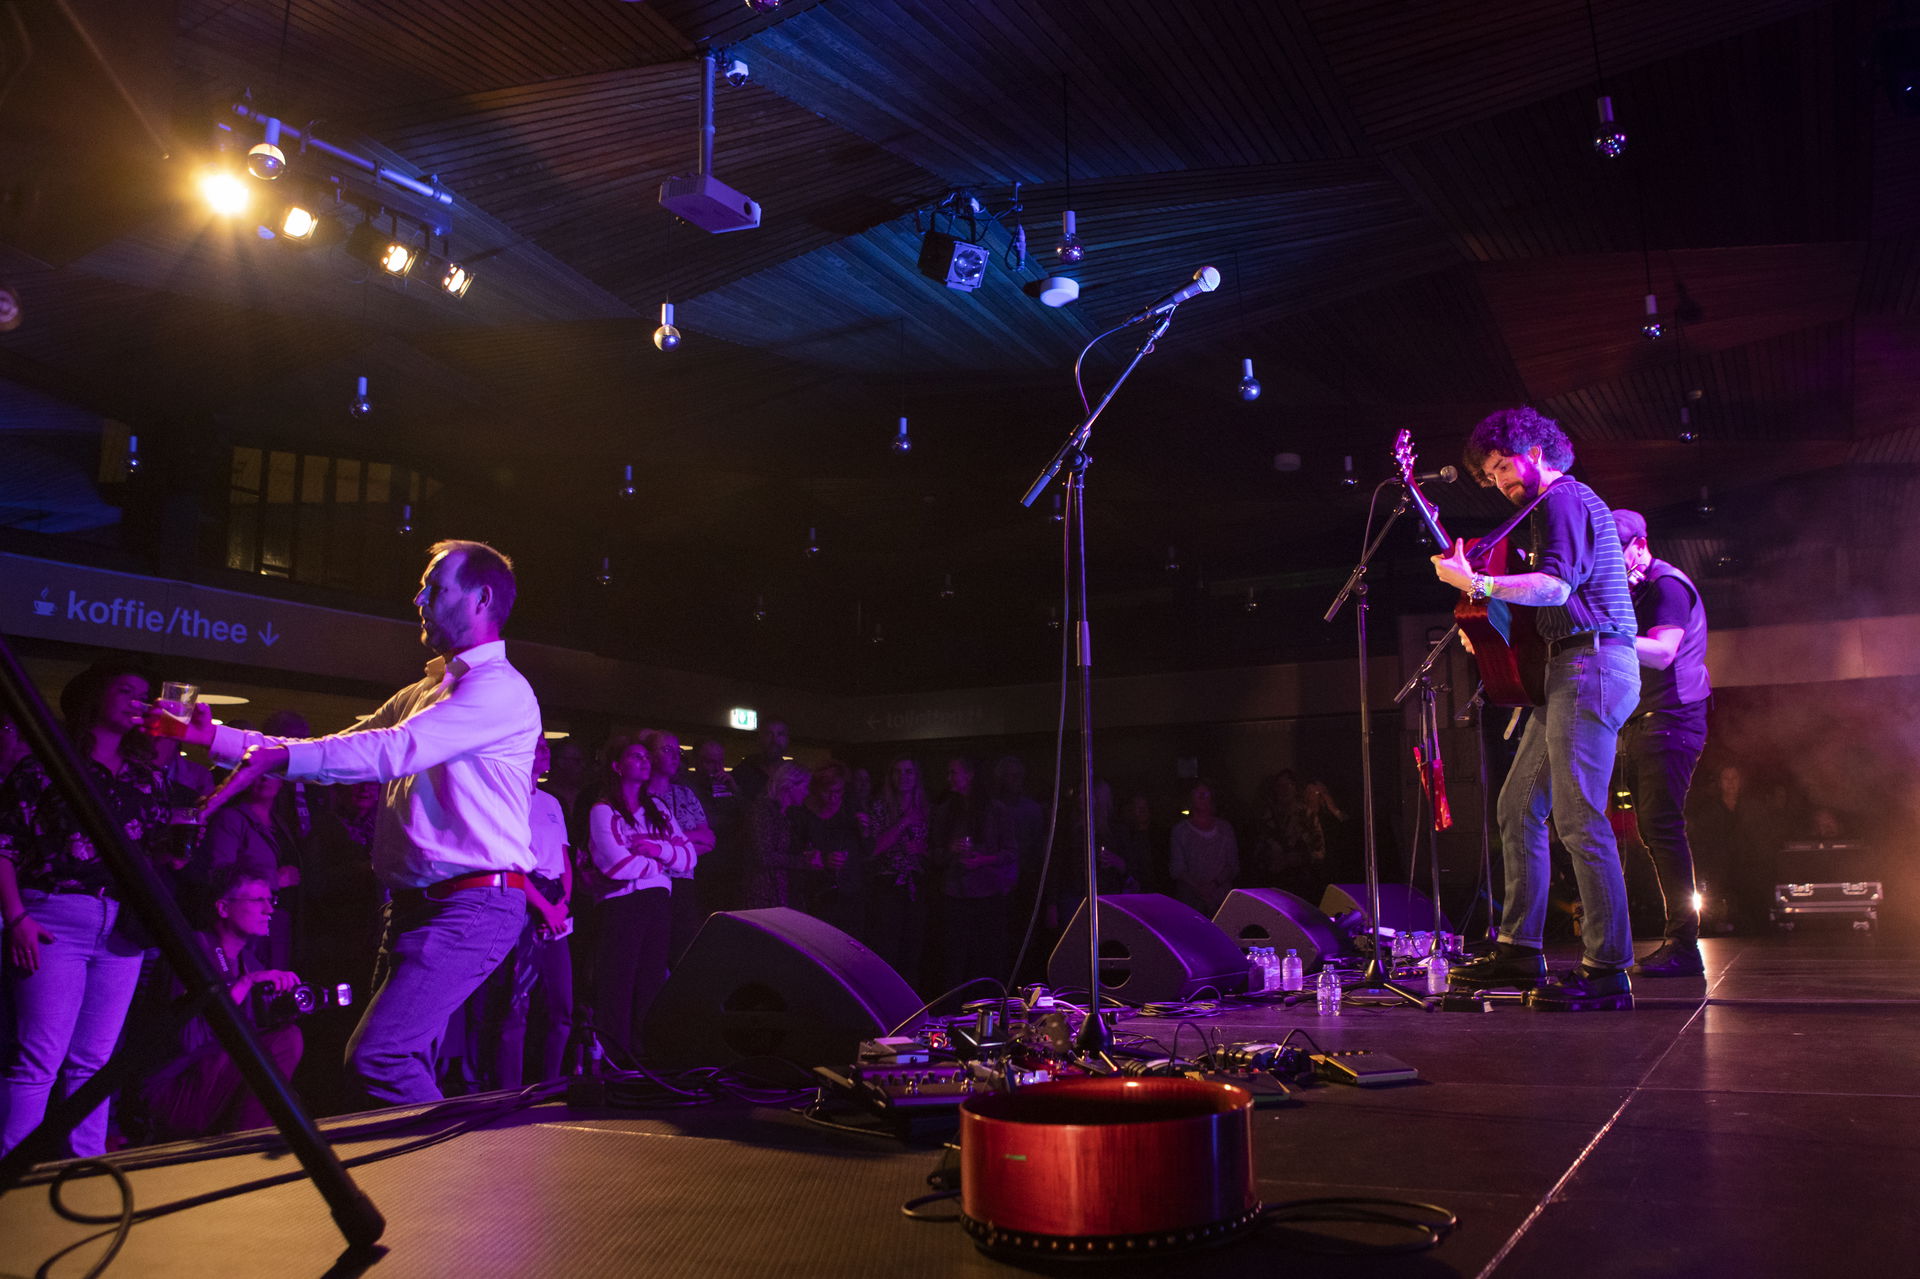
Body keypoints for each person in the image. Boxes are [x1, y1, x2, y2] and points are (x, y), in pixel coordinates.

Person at [172, 540, 542, 1106]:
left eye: (435, 587)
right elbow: (336, 749)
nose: (419, 598)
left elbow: (397, 750)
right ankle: (430, 1182)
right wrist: (214, 739)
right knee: (401, 1058)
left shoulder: (500, 690)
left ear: (481, 598)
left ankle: (452, 1176)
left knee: (381, 1057)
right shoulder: (425, 691)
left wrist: (276, 758)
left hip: (471, 906)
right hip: (417, 905)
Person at [1435, 408, 1640, 1008]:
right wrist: (1488, 627)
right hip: (1568, 668)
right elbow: (1546, 604)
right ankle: (1520, 951)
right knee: (1517, 807)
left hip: (1591, 663)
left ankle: (1607, 971)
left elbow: (1556, 587)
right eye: (1491, 475)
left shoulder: (1563, 499)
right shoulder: (1545, 509)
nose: (1499, 481)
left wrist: (1478, 586)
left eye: (1503, 466)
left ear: (1535, 449)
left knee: (1579, 820)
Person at [1, 659, 169, 1158]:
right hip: (54, 917)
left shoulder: (146, 778)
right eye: (125, 691)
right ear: (95, 697)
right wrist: (16, 919)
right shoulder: (46, 765)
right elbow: (4, 845)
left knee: (94, 1061)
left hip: (121, 925)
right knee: (39, 1058)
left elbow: (157, 853)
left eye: (144, 694)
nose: (137, 701)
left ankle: (85, 1169)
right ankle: (14, 1172)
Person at [1611, 510, 1712, 978]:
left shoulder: (1666, 585)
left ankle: (1683, 945)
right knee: (1654, 827)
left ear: (1640, 544)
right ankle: (1677, 940)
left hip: (1672, 718)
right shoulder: (1638, 587)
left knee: (1661, 826)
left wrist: (1606, 635)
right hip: (1650, 720)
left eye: (1618, 549)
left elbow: (1663, 652)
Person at [137, 867, 305, 1140]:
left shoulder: (249, 963)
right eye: (257, 901)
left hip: (211, 1083)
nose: (269, 911)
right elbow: (188, 1040)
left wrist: (283, 1009)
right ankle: (243, 1151)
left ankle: (248, 1145)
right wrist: (245, 984)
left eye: (270, 901)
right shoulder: (192, 950)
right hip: (172, 1087)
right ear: (223, 908)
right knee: (278, 1045)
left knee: (287, 1047)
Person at [586, 734, 691, 1062]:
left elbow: (689, 857)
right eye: (636, 756)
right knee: (619, 983)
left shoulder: (658, 808)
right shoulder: (602, 810)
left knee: (651, 982)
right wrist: (659, 863)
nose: (645, 761)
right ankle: (616, 1059)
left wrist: (655, 849)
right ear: (617, 766)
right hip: (622, 906)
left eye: (647, 756)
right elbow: (615, 865)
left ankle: (645, 1061)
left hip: (658, 904)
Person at [930, 758, 1017, 991]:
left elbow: (1010, 852)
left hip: (988, 892)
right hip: (955, 893)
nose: (949, 778)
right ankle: (954, 1011)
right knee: (954, 958)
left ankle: (991, 1009)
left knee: (989, 956)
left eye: (953, 773)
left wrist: (982, 860)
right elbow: (935, 855)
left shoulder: (996, 810)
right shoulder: (945, 811)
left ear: (969, 776)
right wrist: (951, 850)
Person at [642, 730, 713, 964]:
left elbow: (709, 840)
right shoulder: (639, 795)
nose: (675, 756)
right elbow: (641, 843)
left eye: (678, 751)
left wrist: (668, 842)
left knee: (684, 949)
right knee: (653, 951)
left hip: (684, 880)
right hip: (651, 880)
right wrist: (684, 845)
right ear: (650, 755)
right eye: (667, 750)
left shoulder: (685, 793)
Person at [862, 756, 930, 986]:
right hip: (887, 883)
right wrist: (904, 823)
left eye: (909, 772)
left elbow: (938, 849)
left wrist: (923, 849)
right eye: (898, 772)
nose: (904, 777)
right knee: (886, 947)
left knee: (913, 949)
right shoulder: (880, 806)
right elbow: (873, 848)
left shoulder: (926, 807)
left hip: (916, 884)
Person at [794, 762, 864, 935]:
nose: (833, 798)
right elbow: (795, 852)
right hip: (817, 894)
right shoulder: (802, 813)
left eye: (838, 792)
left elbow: (868, 849)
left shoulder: (850, 807)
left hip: (850, 891)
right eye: (828, 792)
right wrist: (824, 859)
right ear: (816, 789)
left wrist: (867, 831)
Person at [738, 762, 813, 910]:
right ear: (790, 785)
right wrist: (803, 861)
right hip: (762, 892)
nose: (807, 792)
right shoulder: (763, 811)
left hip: (774, 890)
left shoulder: (783, 812)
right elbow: (763, 856)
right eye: (805, 786)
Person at [684, 739, 744, 913]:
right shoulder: (687, 787)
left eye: (720, 761)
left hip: (727, 865)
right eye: (710, 761)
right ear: (696, 761)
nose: (717, 768)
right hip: (700, 865)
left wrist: (735, 790)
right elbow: (709, 822)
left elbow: (748, 819)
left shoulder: (727, 786)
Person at [1169, 780, 1239, 917]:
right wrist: (1198, 888)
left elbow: (1233, 865)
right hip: (1190, 903)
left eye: (1205, 793)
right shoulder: (1180, 831)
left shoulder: (1225, 829)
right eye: (1198, 793)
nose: (1201, 797)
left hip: (1222, 902)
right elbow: (1177, 868)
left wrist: (1213, 885)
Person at [731, 719, 790, 805]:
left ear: (787, 740)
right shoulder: (743, 771)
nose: (775, 740)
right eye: (769, 734)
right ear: (759, 738)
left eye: (780, 734)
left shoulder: (795, 776)